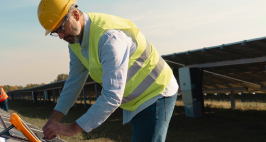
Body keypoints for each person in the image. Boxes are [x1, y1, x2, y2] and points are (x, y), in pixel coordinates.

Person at [37, 0, 179, 141]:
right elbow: (74, 81)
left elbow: (112, 95)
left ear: (75, 14)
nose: (61, 36)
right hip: (135, 101)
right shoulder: (74, 41)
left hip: (156, 94)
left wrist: (72, 128)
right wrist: (53, 119)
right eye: (55, 32)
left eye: (61, 27)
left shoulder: (109, 38)